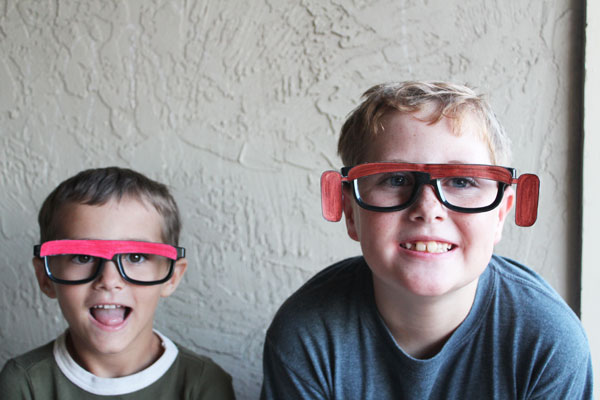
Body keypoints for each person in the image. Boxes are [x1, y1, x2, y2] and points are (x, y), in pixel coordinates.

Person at [261, 81, 593, 399]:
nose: (428, 208)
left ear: (500, 216)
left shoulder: (547, 341)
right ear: (350, 212)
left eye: (462, 182)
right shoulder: (307, 333)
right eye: (396, 179)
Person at [0, 167, 235, 399]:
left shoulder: (203, 383)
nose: (109, 281)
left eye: (135, 257)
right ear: (45, 277)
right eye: (83, 256)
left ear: (172, 276)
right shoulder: (24, 382)